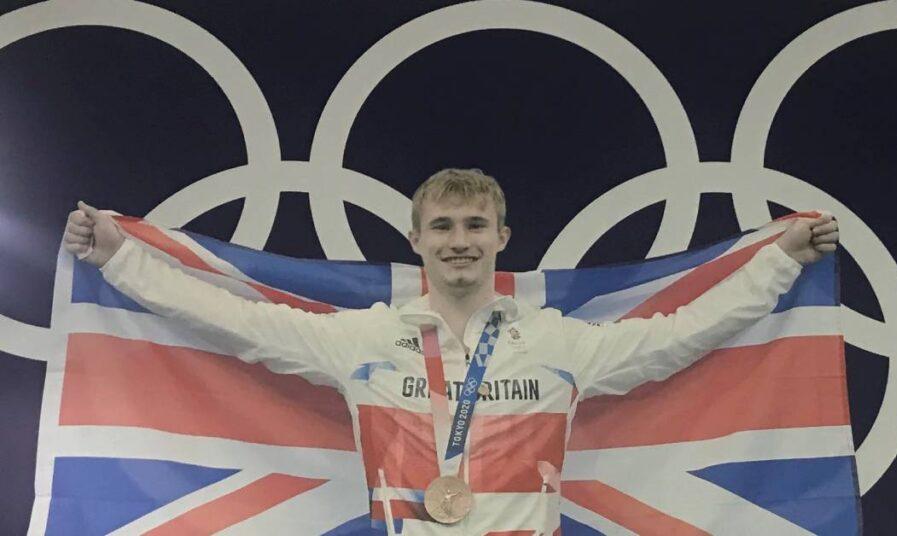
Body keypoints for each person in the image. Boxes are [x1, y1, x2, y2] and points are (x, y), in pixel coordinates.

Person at [63, 168, 838, 535]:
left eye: (474, 227)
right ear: (416, 242)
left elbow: (683, 336)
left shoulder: (555, 344)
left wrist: (781, 261)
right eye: (443, 227)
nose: (459, 242)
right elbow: (230, 320)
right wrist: (115, 258)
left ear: (501, 238)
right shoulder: (365, 338)